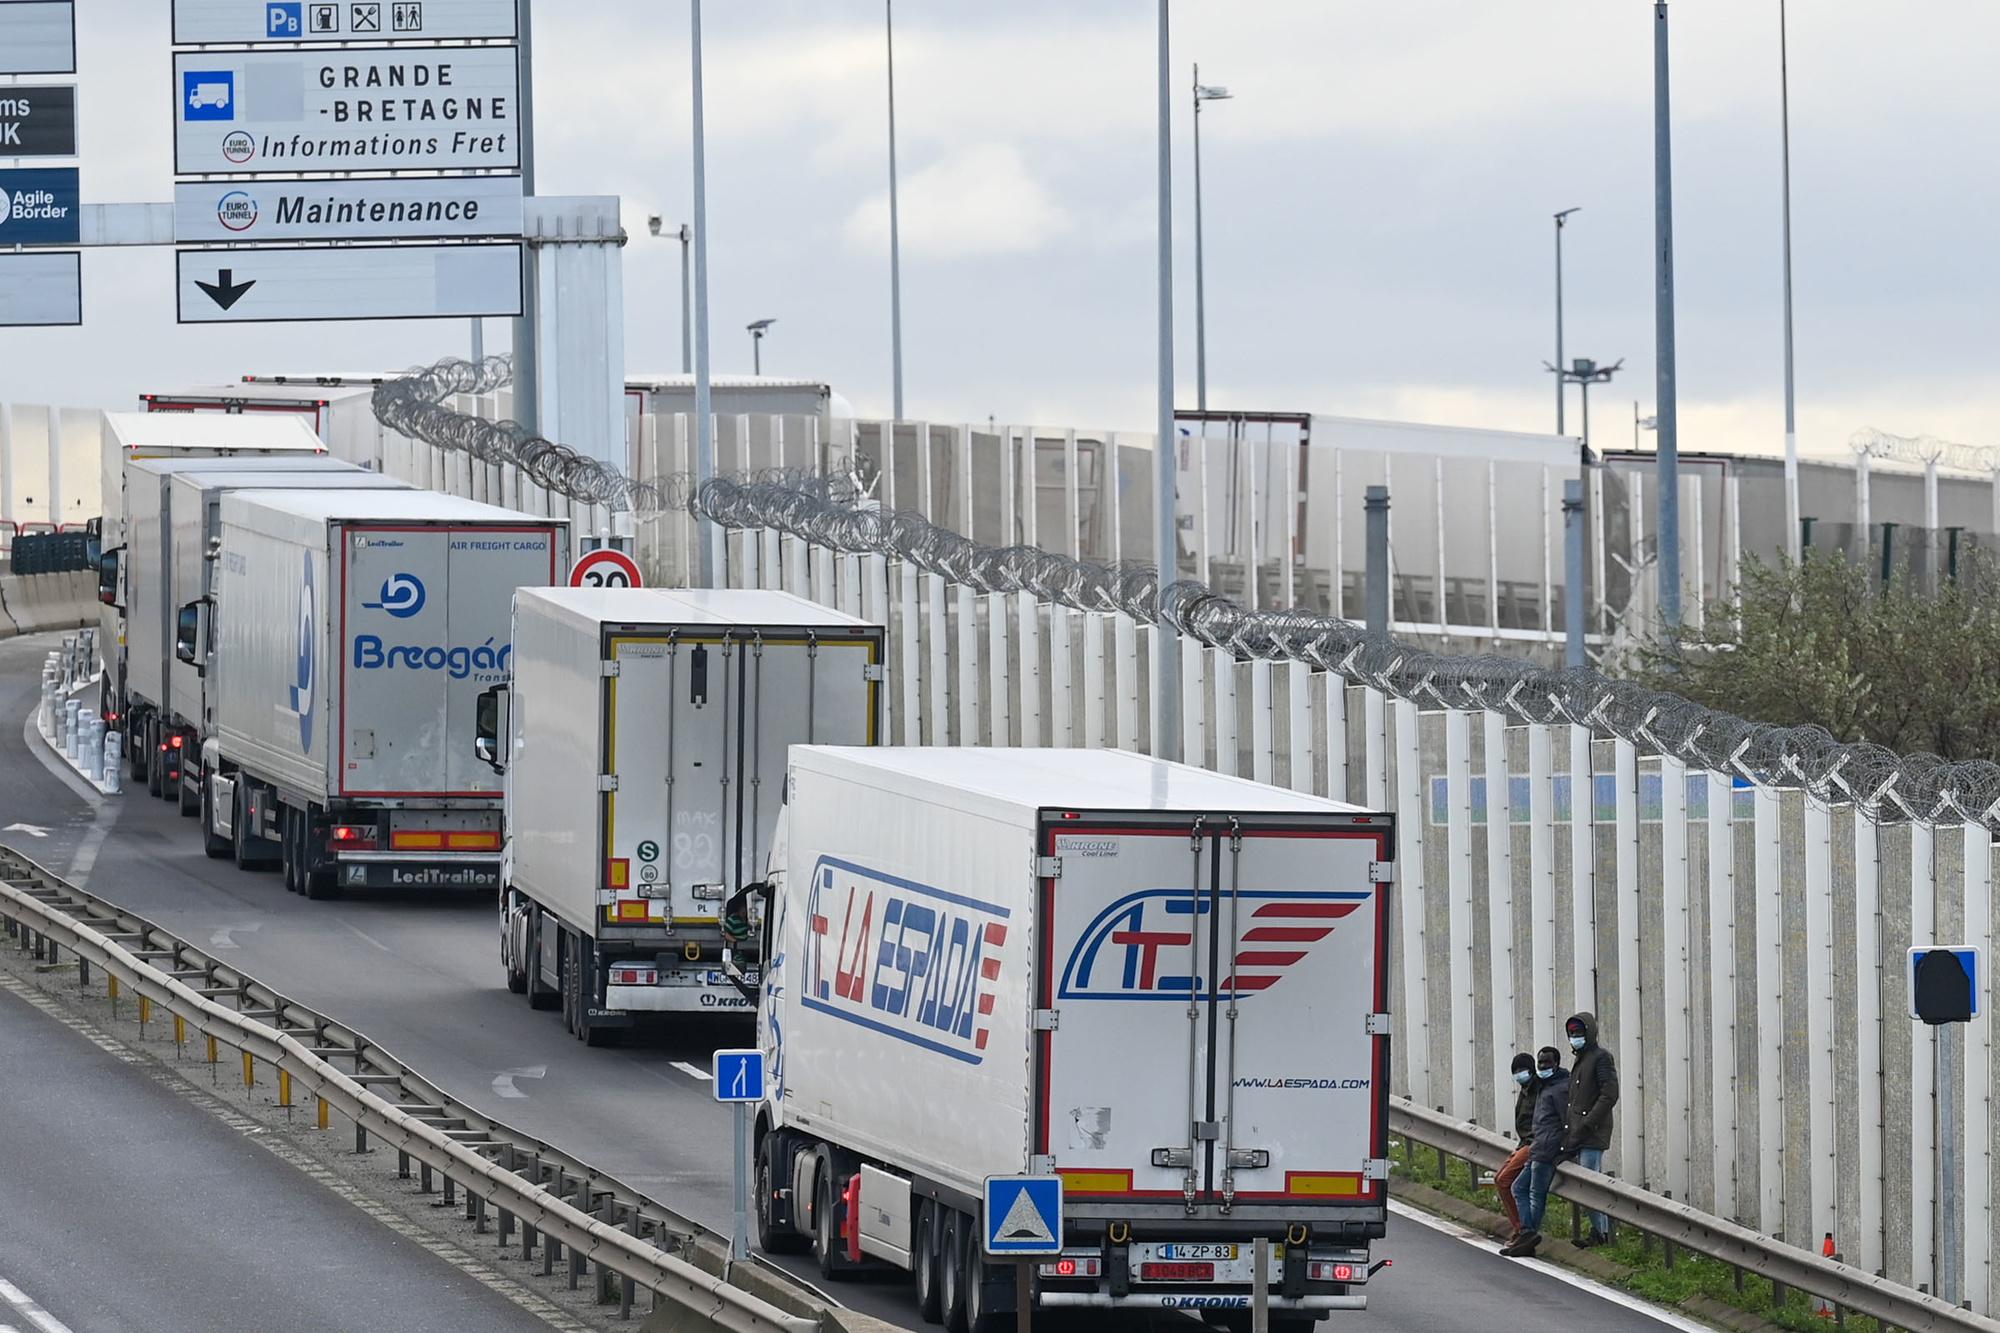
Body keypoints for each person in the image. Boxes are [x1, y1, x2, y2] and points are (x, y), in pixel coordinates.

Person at [1500, 1046, 1568, 1257]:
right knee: (1519, 1187)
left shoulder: (1552, 1088)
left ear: (1556, 1064)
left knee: (1527, 1191)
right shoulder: (1541, 1087)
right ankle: (1525, 1233)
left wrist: (1565, 1149)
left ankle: (1525, 1233)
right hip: (1535, 1146)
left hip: (1543, 1148)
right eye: (1541, 1063)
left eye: (1547, 1063)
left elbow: (1565, 1121)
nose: (1543, 1067)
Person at [1562, 1011, 1619, 1247]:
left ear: (1590, 1032)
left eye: (1579, 1032)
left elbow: (1609, 1094)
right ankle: (1599, 1232)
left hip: (1592, 1133)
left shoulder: (1601, 1058)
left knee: (1589, 1186)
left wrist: (1588, 1122)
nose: (1575, 1037)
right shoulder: (1582, 1059)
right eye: (1572, 1033)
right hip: (1579, 1132)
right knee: (1585, 1185)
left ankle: (1602, 1234)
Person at [1495, 1052, 1537, 1245]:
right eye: (1516, 1071)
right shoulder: (1525, 1090)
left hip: (1534, 1144)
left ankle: (1521, 1229)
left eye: (1523, 1070)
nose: (1519, 1074)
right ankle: (1519, 1228)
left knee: (1506, 1181)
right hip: (1524, 1143)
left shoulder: (1539, 1090)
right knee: (1499, 1179)